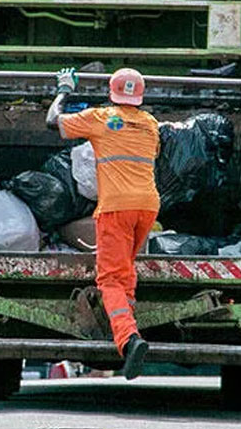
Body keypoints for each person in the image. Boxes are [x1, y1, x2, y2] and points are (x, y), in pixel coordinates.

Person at [46, 67, 160, 380]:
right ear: (140, 95)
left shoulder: (101, 118)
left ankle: (128, 339)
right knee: (125, 270)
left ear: (111, 93)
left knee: (109, 278)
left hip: (116, 208)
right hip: (147, 206)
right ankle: (129, 321)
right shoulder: (151, 123)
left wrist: (64, 90)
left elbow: (52, 121)